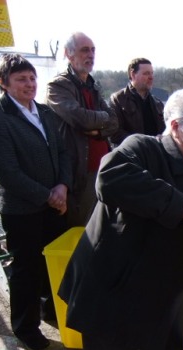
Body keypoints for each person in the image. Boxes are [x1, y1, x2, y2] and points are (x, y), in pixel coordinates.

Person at [57, 88, 183, 350]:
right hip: (113, 295)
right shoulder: (141, 147)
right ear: (175, 126)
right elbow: (108, 178)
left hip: (164, 300)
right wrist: (180, 204)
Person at [0, 54, 72, 350]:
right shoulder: (1, 119)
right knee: (27, 270)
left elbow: (63, 153)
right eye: (21, 80)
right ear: (3, 84)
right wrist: (48, 195)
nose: (29, 84)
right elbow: (8, 173)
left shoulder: (44, 112)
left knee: (51, 264)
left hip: (55, 203)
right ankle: (26, 328)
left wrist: (63, 187)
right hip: (22, 209)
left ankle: (53, 312)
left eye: (31, 78)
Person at [46, 31, 118, 227]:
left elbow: (114, 122)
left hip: (102, 168)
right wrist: (102, 119)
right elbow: (81, 119)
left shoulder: (92, 85)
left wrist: (98, 130)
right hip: (80, 173)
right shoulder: (58, 86)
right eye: (84, 50)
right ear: (69, 54)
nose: (91, 55)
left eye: (93, 50)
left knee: (103, 227)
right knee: (82, 229)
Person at [109, 57, 166, 147]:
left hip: (155, 156)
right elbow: (115, 134)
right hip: (131, 157)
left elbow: (166, 130)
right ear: (133, 74)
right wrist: (144, 141)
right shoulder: (118, 100)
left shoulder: (157, 103)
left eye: (152, 73)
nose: (151, 77)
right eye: (146, 73)